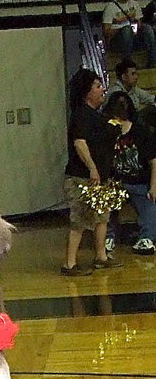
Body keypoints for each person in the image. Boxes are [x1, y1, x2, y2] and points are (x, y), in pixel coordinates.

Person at [61, 69, 122, 276]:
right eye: (97, 86)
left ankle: (101, 256)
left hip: (99, 178)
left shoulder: (97, 116)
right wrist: (92, 168)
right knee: (79, 220)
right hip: (81, 178)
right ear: (87, 93)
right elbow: (80, 143)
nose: (102, 89)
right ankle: (69, 264)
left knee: (102, 217)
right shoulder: (81, 115)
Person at [103, 91, 156, 256]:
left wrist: (153, 186)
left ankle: (146, 238)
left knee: (150, 206)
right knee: (106, 205)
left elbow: (153, 161)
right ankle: (107, 237)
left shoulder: (141, 131)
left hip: (139, 181)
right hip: (115, 182)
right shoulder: (108, 132)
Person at [102, 0, 156, 67]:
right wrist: (121, 28)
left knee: (148, 28)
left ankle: (153, 62)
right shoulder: (110, 8)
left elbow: (139, 24)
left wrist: (136, 24)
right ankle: (127, 65)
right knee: (126, 30)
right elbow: (106, 32)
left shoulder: (134, 4)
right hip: (118, 41)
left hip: (134, 37)